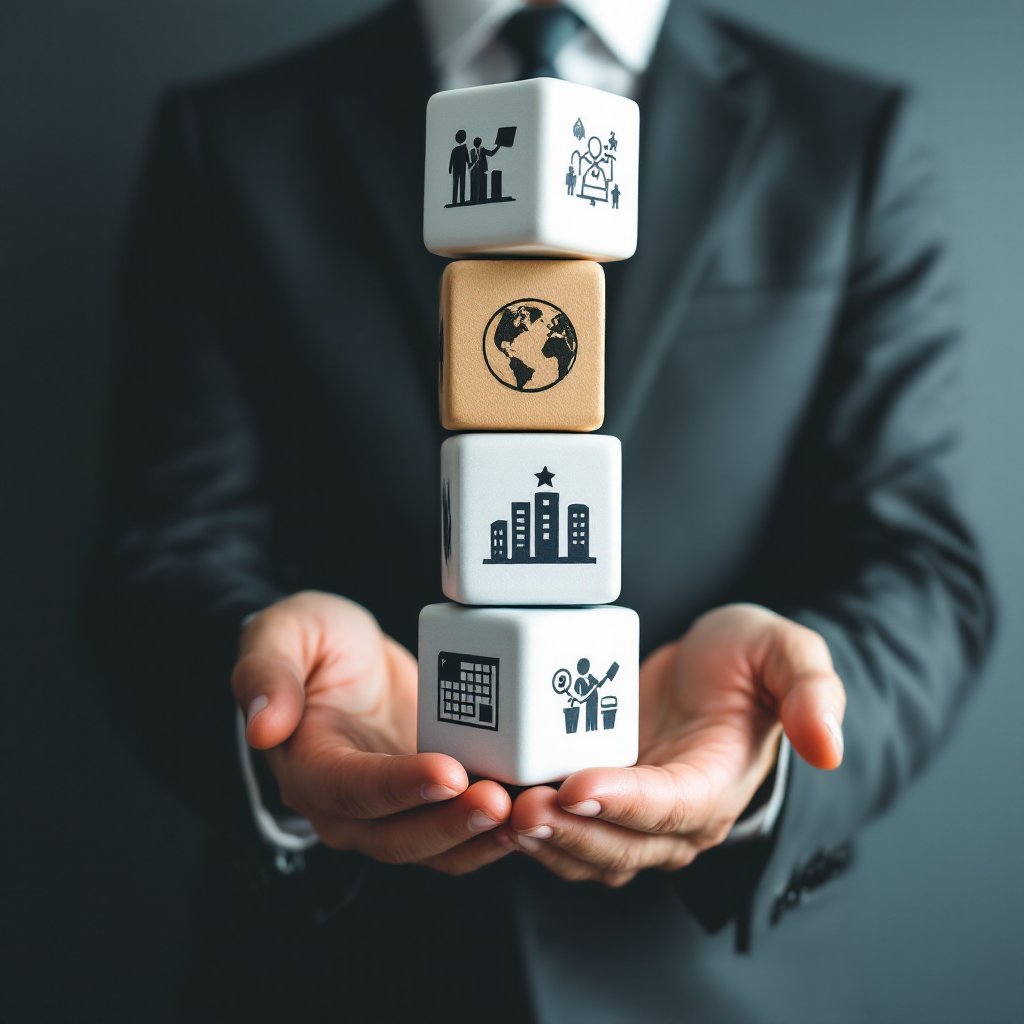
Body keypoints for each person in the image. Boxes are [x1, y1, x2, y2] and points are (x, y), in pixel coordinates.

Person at [99, 1, 994, 1021]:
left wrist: (770, 748)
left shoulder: (852, 132)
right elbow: (163, 543)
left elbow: (919, 561)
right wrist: (277, 715)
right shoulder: (230, 136)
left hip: (712, 984)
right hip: (331, 977)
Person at [470, 134, 499, 202]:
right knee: (480, 186)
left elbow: (491, 153)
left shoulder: (476, 150)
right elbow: (491, 153)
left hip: (479, 171)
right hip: (479, 171)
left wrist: (498, 147)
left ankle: (479, 199)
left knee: (480, 186)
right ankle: (479, 199)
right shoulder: (478, 150)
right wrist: (498, 147)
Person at [448, 128, 471, 204]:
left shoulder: (454, 149)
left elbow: (451, 160)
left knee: (455, 185)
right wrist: (469, 164)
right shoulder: (464, 149)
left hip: (455, 170)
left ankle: (454, 201)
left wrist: (450, 168)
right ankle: (462, 200)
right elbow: (467, 159)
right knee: (462, 185)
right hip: (462, 169)